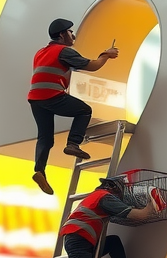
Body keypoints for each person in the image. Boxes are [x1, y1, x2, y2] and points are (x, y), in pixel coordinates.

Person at [27, 18, 120, 195]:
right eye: (71, 32)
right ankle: (73, 143)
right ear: (62, 35)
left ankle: (39, 170)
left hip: (35, 98)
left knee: (45, 138)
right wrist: (106, 55)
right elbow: (92, 66)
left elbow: (61, 68)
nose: (73, 35)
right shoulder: (64, 51)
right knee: (84, 110)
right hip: (51, 95)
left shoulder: (41, 52)